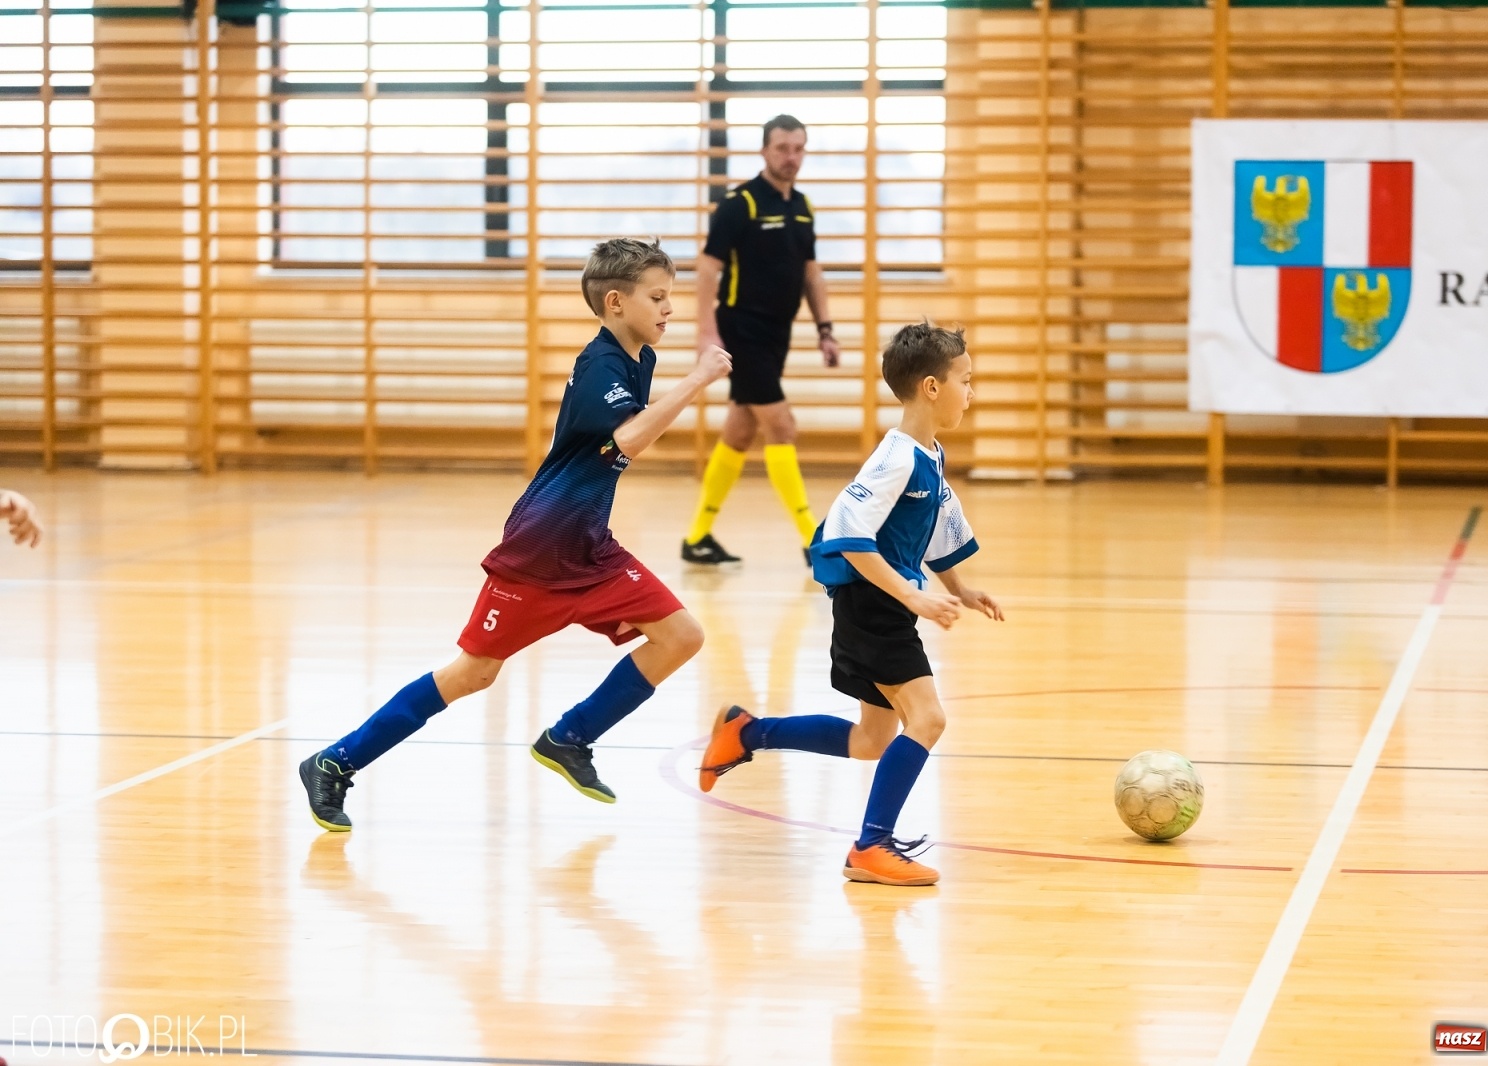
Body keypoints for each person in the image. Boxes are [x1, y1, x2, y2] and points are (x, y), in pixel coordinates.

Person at [298, 238, 732, 832]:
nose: (669, 309)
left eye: (669, 298)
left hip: (588, 546)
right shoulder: (599, 365)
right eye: (657, 298)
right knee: (471, 673)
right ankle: (334, 761)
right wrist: (698, 381)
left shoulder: (638, 361)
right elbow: (625, 442)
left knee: (681, 636)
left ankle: (571, 737)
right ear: (614, 302)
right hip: (540, 549)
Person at [697, 321, 1004, 886]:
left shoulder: (929, 454)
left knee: (872, 740)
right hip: (874, 606)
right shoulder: (896, 458)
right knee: (929, 719)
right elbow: (846, 533)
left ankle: (746, 732)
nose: (972, 391)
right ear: (931, 388)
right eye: (966, 380)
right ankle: (871, 846)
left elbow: (936, 526)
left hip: (881, 604)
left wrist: (958, 587)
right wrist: (913, 595)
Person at [681, 113, 842, 567]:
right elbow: (709, 268)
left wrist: (824, 329)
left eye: (798, 149)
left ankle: (697, 538)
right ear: (764, 151)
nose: (791, 158)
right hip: (741, 330)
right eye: (782, 149)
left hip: (778, 333)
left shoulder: (803, 206)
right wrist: (706, 331)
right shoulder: (740, 204)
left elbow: (810, 271)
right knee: (781, 425)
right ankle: (814, 541)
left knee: (740, 430)